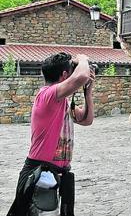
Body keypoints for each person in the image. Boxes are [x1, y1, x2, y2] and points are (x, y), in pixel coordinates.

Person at [7, 52, 95, 216]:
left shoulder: (62, 101)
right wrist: (83, 59)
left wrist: (87, 93)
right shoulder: (47, 95)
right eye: (71, 70)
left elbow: (86, 120)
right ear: (64, 76)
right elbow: (81, 76)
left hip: (58, 174)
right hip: (39, 173)